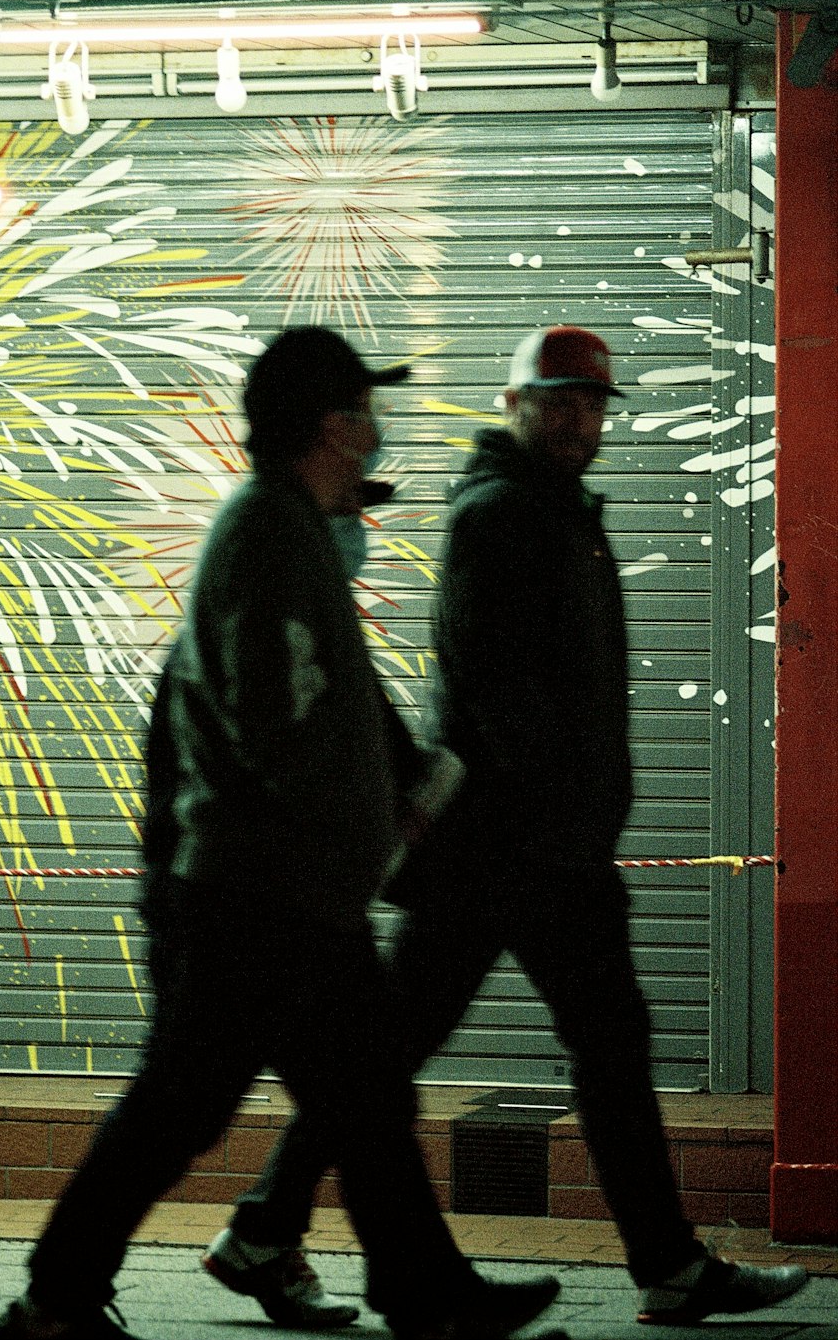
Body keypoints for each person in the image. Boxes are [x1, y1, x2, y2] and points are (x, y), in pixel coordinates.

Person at [203, 324, 809, 1330]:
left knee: (468, 1048)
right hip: (504, 849)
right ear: (515, 402)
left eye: (592, 402)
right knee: (408, 1052)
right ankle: (658, 1265)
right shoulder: (499, 513)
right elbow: (489, 686)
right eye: (559, 399)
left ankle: (267, 1229)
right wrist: (558, 807)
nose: (579, 419)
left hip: (531, 846)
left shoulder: (555, 509)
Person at [0, 325, 560, 1340]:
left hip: (293, 894)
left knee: (367, 1101)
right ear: (334, 425)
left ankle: (424, 1291)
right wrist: (352, 823)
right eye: (366, 412)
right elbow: (272, 715)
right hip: (259, 896)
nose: (377, 432)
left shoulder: (287, 525)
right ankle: (54, 1298)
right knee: (184, 1108)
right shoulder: (264, 532)